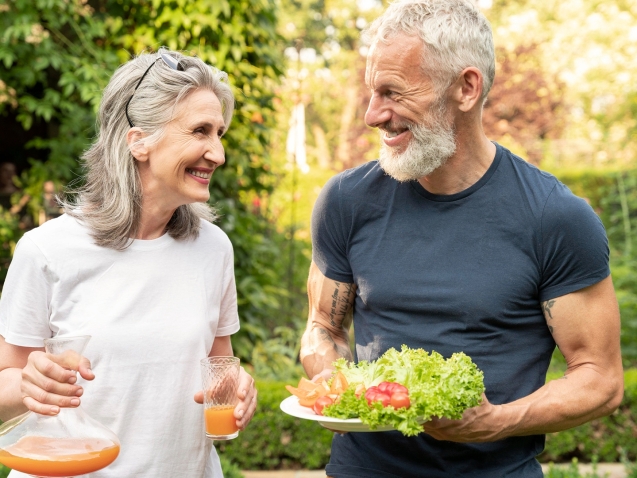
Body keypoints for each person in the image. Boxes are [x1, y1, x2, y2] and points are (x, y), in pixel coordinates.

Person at [299, 1, 624, 477]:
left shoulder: (554, 217)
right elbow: (322, 327)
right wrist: (332, 381)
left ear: (466, 88)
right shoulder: (346, 201)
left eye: (393, 93)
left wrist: (497, 421)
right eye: (372, 92)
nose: (372, 115)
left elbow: (601, 379)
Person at [0, 48, 257, 477]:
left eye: (219, 133)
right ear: (138, 140)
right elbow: (7, 378)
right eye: (200, 131)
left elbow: (218, 368)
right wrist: (29, 383)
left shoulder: (213, 249)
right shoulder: (46, 250)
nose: (218, 153)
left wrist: (237, 387)